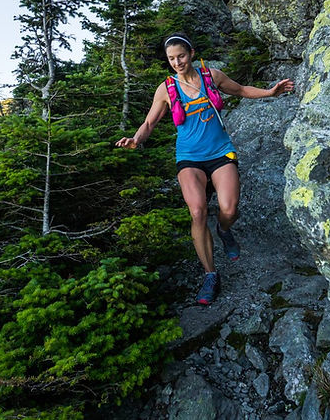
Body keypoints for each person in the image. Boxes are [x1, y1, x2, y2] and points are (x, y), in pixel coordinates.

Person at [115, 33, 294, 305]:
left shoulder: (212, 76)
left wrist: (270, 92)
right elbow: (150, 122)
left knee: (229, 210)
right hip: (189, 157)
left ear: (191, 53)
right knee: (197, 211)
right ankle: (210, 274)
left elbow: (242, 89)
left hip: (220, 152)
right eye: (171, 58)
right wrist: (136, 139)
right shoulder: (166, 89)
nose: (177, 62)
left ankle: (223, 230)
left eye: (181, 56)